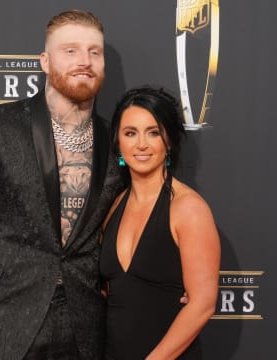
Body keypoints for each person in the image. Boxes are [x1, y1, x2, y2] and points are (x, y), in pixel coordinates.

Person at [0, 9, 124, 360]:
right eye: (70, 50)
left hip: (84, 331)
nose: (84, 61)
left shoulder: (116, 139)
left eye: (94, 51)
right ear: (45, 61)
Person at [100, 86, 221, 359]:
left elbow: (202, 304)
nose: (141, 144)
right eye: (130, 133)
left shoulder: (188, 209)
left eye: (153, 132)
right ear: (118, 142)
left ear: (168, 141)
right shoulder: (114, 206)